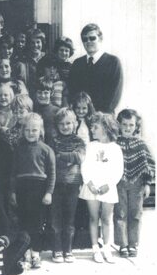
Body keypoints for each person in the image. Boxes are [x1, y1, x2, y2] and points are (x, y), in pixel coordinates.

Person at [10, 113, 56, 269]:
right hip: (22, 189)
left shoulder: (47, 150)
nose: (31, 133)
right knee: (23, 222)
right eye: (28, 130)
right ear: (23, 131)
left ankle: (36, 253)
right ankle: (25, 253)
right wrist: (13, 192)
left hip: (39, 189)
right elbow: (13, 173)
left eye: (34, 130)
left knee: (37, 224)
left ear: (41, 131)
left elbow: (52, 174)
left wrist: (48, 192)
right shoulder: (18, 149)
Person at [78, 112, 123, 263]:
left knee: (106, 218)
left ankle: (106, 248)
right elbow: (84, 166)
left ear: (105, 128)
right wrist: (89, 183)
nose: (92, 130)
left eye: (95, 127)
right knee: (93, 217)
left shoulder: (116, 148)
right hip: (91, 187)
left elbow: (118, 170)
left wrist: (108, 185)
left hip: (108, 188)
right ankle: (95, 248)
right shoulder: (90, 146)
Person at [114, 109, 155, 258]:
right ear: (119, 125)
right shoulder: (115, 143)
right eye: (124, 124)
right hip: (119, 182)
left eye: (131, 125)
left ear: (136, 126)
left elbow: (149, 165)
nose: (127, 128)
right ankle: (123, 244)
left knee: (136, 213)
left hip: (137, 183)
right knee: (120, 213)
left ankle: (133, 244)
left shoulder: (141, 144)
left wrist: (147, 184)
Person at [50, 108, 85, 263]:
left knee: (69, 219)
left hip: (73, 184)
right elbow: (52, 160)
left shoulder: (79, 141)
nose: (65, 126)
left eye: (68, 123)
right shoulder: (53, 141)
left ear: (75, 124)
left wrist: (62, 156)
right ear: (57, 126)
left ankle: (68, 250)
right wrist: (70, 158)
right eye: (62, 124)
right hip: (56, 184)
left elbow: (80, 157)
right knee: (55, 219)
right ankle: (57, 249)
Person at [68, 23, 123, 113]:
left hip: (103, 117)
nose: (88, 41)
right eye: (85, 39)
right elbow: (72, 92)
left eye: (92, 38)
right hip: (81, 116)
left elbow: (114, 95)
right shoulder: (77, 64)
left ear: (100, 39)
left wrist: (99, 116)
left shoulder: (113, 62)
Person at [16, 28, 47, 93]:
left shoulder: (47, 58)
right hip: (28, 93)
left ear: (42, 43)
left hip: (43, 93)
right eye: (32, 43)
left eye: (38, 42)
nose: (35, 45)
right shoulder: (23, 60)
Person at [33, 77, 60, 146]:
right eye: (39, 92)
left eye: (46, 93)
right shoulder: (33, 110)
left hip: (52, 147)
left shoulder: (57, 111)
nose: (42, 95)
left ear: (51, 93)